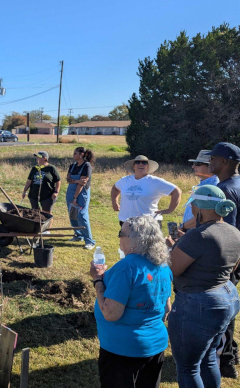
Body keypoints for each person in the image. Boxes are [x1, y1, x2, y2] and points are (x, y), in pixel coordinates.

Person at [169, 185, 240, 386]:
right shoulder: (234, 231)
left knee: (187, 367)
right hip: (228, 297)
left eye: (193, 205)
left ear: (200, 208)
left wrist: (173, 246)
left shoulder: (197, 235)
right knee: (209, 357)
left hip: (199, 304)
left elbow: (172, 269)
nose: (191, 209)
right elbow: (232, 266)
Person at [90, 215, 172, 388]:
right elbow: (166, 308)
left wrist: (98, 281)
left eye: (121, 233)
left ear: (135, 240)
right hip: (154, 346)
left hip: (122, 351)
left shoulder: (126, 268)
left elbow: (111, 313)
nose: (119, 237)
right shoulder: (163, 265)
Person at [205, 142, 240, 378]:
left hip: (228, 258)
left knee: (220, 309)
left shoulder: (225, 190)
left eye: (213, 159)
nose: (209, 163)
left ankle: (224, 360)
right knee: (229, 306)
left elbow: (223, 230)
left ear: (224, 162)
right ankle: (230, 354)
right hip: (237, 255)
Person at [111, 155, 181, 226]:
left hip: (148, 223)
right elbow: (115, 188)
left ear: (147, 167)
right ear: (133, 166)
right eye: (138, 162)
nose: (141, 164)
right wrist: (115, 202)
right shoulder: (125, 180)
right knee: (126, 237)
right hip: (126, 221)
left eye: (144, 163)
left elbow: (176, 191)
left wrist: (170, 210)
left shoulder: (155, 181)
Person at [181, 150, 219, 231]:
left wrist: (182, 227)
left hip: (200, 233)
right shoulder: (201, 186)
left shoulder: (214, 188)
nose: (193, 167)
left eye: (198, 164)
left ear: (210, 166)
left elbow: (205, 216)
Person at [66, 146, 96, 250]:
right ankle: (78, 235)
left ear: (81, 154)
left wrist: (75, 198)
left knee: (82, 215)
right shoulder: (72, 166)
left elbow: (82, 184)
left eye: (75, 153)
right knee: (72, 215)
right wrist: (77, 180)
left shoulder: (86, 166)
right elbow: (68, 179)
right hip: (70, 192)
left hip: (81, 194)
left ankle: (90, 241)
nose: (73, 155)